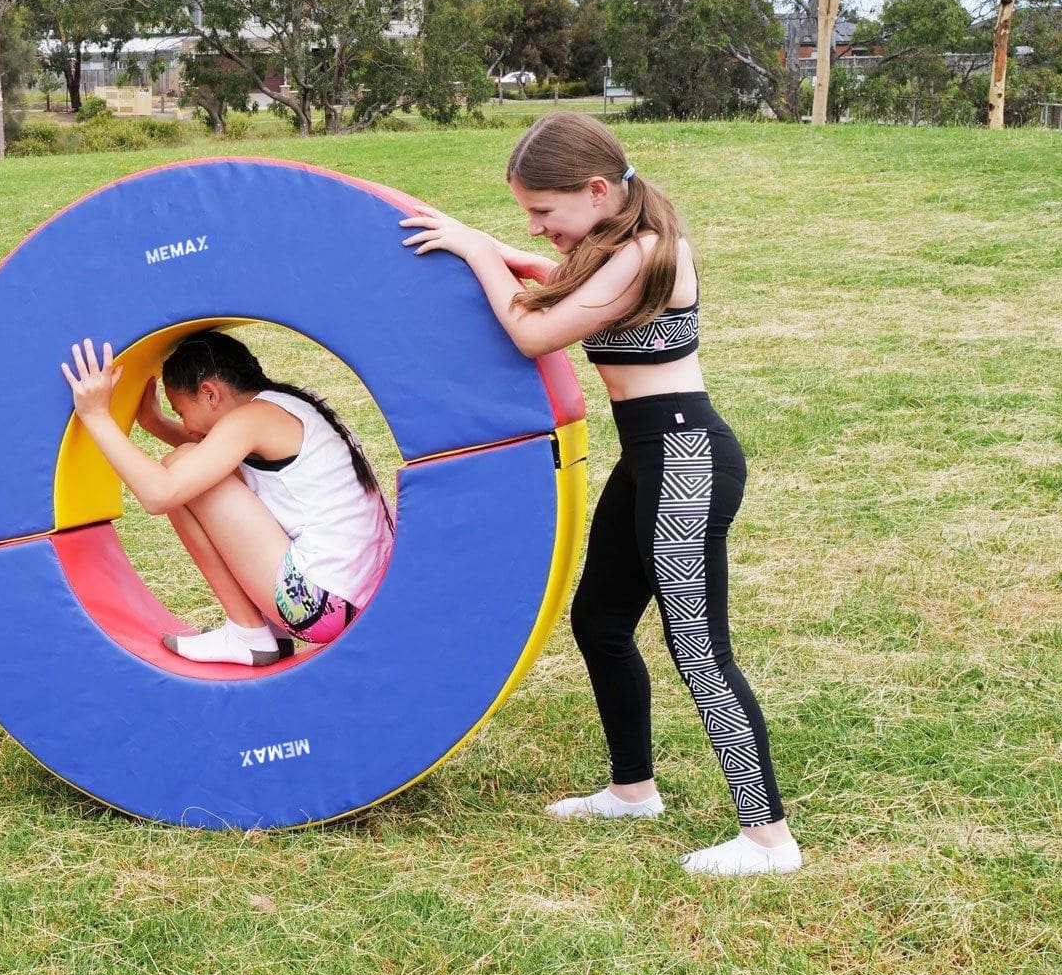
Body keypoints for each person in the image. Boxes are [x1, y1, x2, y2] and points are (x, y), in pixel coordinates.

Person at [400, 112, 801, 877]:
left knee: (700, 649)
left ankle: (769, 839)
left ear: (593, 191)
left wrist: (478, 251)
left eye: (544, 212)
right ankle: (632, 790)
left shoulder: (651, 251)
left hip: (686, 457)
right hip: (651, 456)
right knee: (601, 619)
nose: (537, 227)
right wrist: (493, 250)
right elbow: (554, 282)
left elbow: (531, 331)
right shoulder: (615, 246)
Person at [60, 331, 394, 666]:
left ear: (209, 393)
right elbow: (221, 458)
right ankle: (256, 631)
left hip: (318, 606)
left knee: (179, 465)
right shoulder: (282, 408)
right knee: (191, 463)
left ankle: (248, 634)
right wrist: (157, 424)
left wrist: (95, 415)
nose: (185, 425)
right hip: (369, 597)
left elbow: (159, 495)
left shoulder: (250, 420)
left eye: (180, 411)